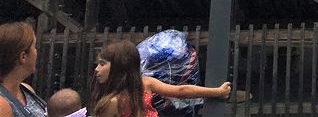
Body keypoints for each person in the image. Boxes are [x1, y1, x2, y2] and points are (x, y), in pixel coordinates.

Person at [91, 41, 230, 117]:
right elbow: (182, 90)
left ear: (119, 67)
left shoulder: (111, 103)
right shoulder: (146, 83)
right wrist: (218, 91)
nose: (97, 69)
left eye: (102, 63)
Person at [0, 21, 45, 117]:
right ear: (23, 57)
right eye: (34, 47)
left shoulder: (27, 90)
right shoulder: (2, 106)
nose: (36, 52)